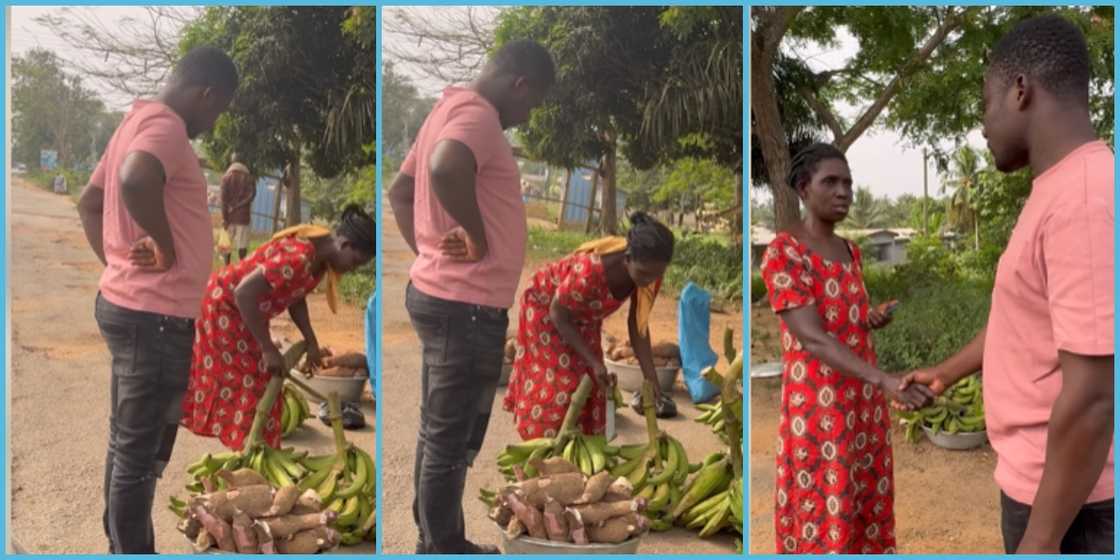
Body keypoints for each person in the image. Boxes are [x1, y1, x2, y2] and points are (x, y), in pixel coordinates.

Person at [899, 15, 1114, 554]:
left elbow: (1091, 396)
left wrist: (1039, 542)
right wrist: (947, 372)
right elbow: (1025, 322)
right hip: (1047, 490)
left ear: (1020, 91)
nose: (983, 125)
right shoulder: (1057, 187)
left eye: (984, 104)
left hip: (1071, 507)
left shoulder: (1084, 197)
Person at [387, 39, 555, 554]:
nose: (526, 117)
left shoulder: (447, 109)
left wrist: (431, 253)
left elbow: (400, 190)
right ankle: (441, 546)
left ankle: (435, 538)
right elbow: (443, 168)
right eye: (532, 103)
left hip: (447, 297)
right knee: (450, 437)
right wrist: (476, 238)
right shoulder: (477, 117)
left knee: (439, 430)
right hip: (465, 308)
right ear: (519, 83)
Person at [76, 46, 238, 554]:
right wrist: (164, 249)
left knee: (126, 443)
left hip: (133, 308)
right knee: (139, 454)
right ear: (205, 93)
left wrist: (119, 266)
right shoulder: (165, 128)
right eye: (218, 110)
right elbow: (133, 179)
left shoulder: (135, 122)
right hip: (154, 318)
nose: (213, 123)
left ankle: (120, 544)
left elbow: (89, 202)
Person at [760, 143, 933, 554]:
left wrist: (870, 317)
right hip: (820, 411)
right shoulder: (785, 252)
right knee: (826, 505)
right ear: (803, 188)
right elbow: (813, 337)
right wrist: (885, 379)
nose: (843, 192)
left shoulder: (849, 251)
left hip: (863, 406)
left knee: (862, 501)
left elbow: (839, 318)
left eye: (849, 183)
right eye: (831, 182)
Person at [177, 205, 374, 450]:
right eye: (355, 262)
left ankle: (257, 453)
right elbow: (243, 293)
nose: (351, 269)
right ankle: (248, 456)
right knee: (252, 385)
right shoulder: (299, 256)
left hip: (244, 313)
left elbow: (296, 296)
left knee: (264, 384)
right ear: (344, 244)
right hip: (225, 308)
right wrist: (267, 347)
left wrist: (311, 341)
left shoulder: (319, 262)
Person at [504, 212, 675, 440]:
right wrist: (594, 361)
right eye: (643, 274)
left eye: (657, 274)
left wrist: (651, 380)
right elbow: (558, 313)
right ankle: (540, 451)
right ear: (627, 258)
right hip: (546, 309)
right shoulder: (591, 269)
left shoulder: (651, 272)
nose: (649, 280)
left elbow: (638, 325)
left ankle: (578, 453)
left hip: (584, 318)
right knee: (560, 386)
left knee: (594, 384)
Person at [221, 152, 256, 265]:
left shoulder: (226, 177)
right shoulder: (249, 178)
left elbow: (223, 200)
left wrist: (224, 218)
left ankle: (226, 268)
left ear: (232, 162)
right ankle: (242, 267)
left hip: (229, 216)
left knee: (227, 244)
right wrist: (240, 205)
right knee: (242, 245)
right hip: (243, 217)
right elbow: (252, 195)